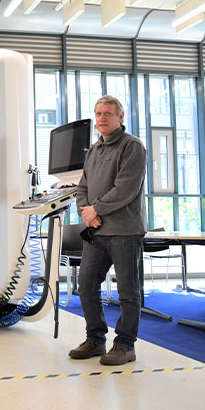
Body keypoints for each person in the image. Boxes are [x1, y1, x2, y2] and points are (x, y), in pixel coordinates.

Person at [69, 95, 147, 366]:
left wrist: (96, 209)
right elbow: (82, 188)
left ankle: (125, 345)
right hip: (96, 232)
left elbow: (126, 188)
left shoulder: (132, 147)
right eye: (98, 113)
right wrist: (85, 211)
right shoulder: (93, 150)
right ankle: (96, 339)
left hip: (125, 231)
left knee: (128, 291)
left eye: (108, 114)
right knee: (86, 284)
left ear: (120, 117)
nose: (101, 118)